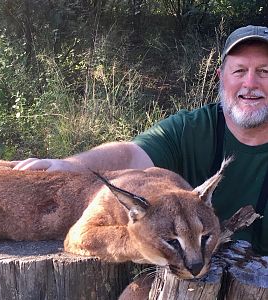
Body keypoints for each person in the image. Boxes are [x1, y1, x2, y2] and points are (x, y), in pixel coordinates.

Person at [13, 25, 268, 255]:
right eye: (239, 71)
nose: (250, 83)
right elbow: (131, 154)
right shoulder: (191, 128)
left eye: (264, 71)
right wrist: (72, 165)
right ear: (220, 76)